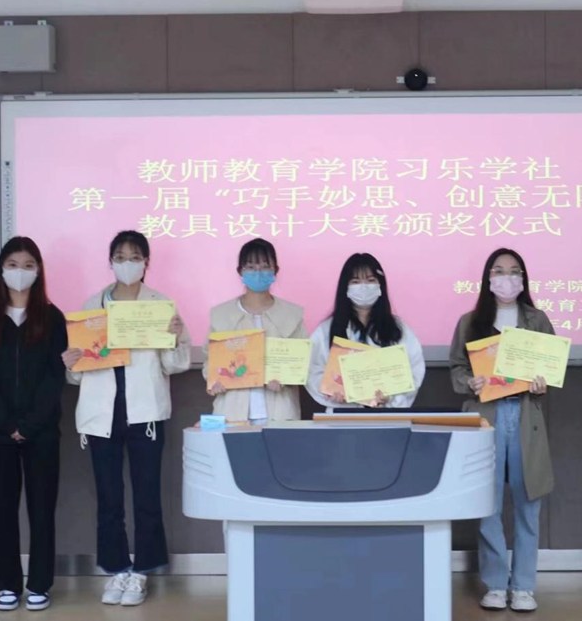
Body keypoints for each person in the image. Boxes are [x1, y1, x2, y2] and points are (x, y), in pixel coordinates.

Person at [61, 230, 190, 607]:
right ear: (111, 261)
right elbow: (77, 375)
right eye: (120, 257)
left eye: (135, 257)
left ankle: (142, 571)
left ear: (147, 263)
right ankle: (116, 568)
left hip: (145, 413)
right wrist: (70, 363)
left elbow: (176, 364)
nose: (127, 263)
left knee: (147, 495)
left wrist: (172, 338)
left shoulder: (161, 306)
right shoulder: (92, 305)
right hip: (102, 414)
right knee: (108, 497)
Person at [0, 237, 67, 612]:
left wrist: (31, 423)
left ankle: (40, 583)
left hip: (43, 433)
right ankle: (7, 583)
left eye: (27, 265)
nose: (19, 272)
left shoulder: (53, 319)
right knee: (3, 511)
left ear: (38, 271)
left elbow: (56, 376)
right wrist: (6, 423)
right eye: (12, 264)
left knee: (42, 511)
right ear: (1, 269)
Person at [448, 248, 553, 613]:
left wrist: (542, 383)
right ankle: (495, 583)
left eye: (513, 271)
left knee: (528, 503)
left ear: (523, 278)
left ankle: (523, 585)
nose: (506, 278)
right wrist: (470, 382)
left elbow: (551, 368)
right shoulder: (471, 321)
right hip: (487, 414)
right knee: (487, 503)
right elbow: (456, 368)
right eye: (498, 271)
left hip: (524, 415)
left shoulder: (537, 319)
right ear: (487, 278)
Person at [202, 238, 307, 423]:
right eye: (251, 267)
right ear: (240, 271)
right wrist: (214, 380)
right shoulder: (221, 314)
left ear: (275, 270)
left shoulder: (292, 314)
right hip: (232, 410)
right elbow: (209, 360)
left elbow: (302, 361)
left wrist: (286, 378)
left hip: (280, 411)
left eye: (265, 266)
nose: (258, 272)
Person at [306, 253, 425, 409]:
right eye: (355, 282)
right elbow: (312, 369)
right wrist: (330, 391)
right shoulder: (326, 330)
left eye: (370, 280)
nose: (363, 287)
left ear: (380, 285)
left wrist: (392, 397)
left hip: (387, 415)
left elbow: (414, 369)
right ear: (345, 287)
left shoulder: (399, 329)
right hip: (344, 415)